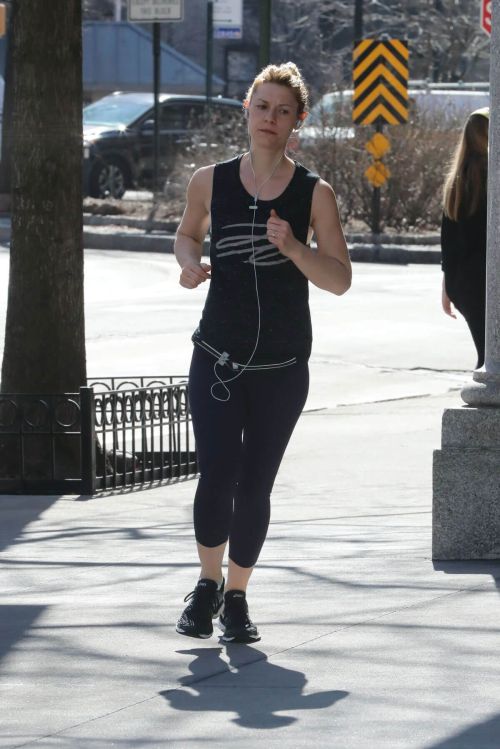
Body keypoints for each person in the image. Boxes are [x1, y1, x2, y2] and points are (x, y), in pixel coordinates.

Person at [174, 62, 352, 644]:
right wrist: (187, 263)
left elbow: (339, 280)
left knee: (255, 485)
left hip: (280, 368)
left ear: (298, 120)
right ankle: (205, 585)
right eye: (261, 106)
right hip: (218, 358)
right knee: (216, 473)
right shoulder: (212, 179)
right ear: (246, 110)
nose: (270, 119)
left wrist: (294, 247)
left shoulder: (312, 193)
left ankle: (237, 596)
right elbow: (187, 231)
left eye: (282, 111)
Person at [441, 107, 489, 369]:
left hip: (464, 283)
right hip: (489, 280)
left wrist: (448, 286)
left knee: (486, 353)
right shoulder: (493, 177)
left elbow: (449, 240)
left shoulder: (456, 181)